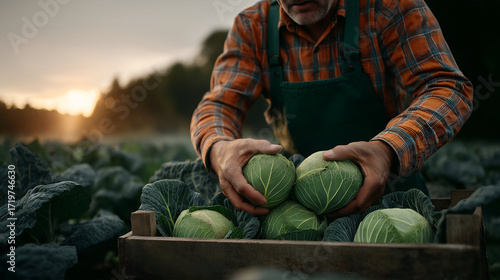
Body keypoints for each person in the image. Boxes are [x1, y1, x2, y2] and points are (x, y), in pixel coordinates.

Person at [190, 0, 473, 218]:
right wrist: (219, 149)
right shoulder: (254, 26)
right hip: (297, 206)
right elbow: (219, 104)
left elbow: (445, 87)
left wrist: (388, 149)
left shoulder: (388, 8)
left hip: (391, 200)